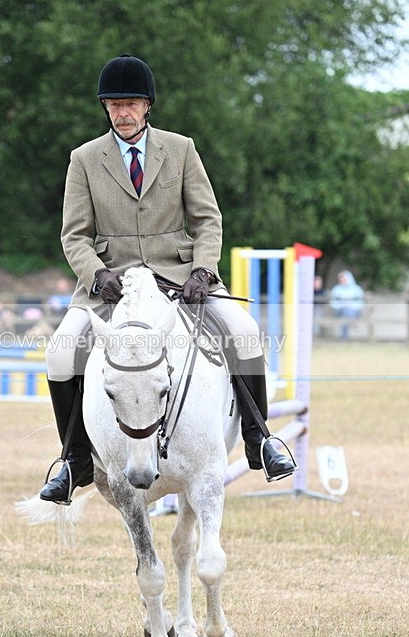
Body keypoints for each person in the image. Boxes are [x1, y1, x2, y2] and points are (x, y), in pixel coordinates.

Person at [40, 53, 295, 504]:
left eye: (131, 103)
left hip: (180, 276)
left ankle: (259, 439)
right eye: (114, 104)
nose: (123, 112)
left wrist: (203, 269)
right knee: (61, 353)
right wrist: (97, 276)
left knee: (245, 330)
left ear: (147, 106)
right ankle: (74, 461)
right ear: (105, 108)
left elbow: (208, 219)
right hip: (110, 284)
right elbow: (74, 235)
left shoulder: (180, 149)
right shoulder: (83, 159)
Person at [329, 270, 365, 339]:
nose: (342, 280)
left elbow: (360, 302)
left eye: (343, 278)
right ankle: (351, 324)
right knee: (345, 311)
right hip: (339, 311)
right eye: (340, 279)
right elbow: (333, 303)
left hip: (354, 311)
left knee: (347, 311)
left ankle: (345, 334)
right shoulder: (336, 289)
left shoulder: (356, 289)